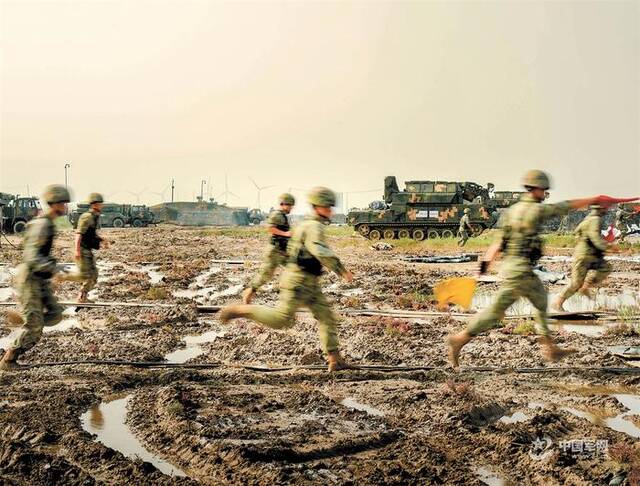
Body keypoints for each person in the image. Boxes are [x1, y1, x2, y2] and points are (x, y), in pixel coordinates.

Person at [447, 170, 603, 367]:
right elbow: (563, 207)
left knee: (538, 301)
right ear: (536, 189)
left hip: (514, 269)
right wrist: (593, 199)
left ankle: (550, 348)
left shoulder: (512, 211)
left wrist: (484, 267)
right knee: (496, 312)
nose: (544, 195)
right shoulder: (535, 210)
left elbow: (498, 243)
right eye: (543, 191)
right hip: (520, 272)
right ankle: (459, 339)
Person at [219, 187, 354, 372]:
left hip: (309, 282)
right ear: (317, 207)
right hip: (299, 282)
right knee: (282, 320)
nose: (331, 211)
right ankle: (240, 310)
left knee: (327, 318)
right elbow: (319, 250)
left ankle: (335, 359)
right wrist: (341, 269)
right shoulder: (313, 227)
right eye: (327, 207)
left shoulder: (306, 225)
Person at [0, 185, 70, 370]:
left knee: (55, 314)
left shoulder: (48, 223)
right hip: (30, 278)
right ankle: (8, 359)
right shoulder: (42, 224)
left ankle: (27, 319)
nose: (66, 206)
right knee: (34, 327)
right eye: (63, 203)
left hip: (39, 277)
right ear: (54, 204)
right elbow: (32, 257)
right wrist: (53, 269)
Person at [553, 205, 612, 310]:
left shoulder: (587, 220)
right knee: (576, 283)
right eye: (605, 208)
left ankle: (584, 287)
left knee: (605, 267)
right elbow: (595, 237)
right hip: (586, 256)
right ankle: (558, 303)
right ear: (600, 208)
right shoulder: (595, 220)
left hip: (587, 255)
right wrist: (608, 246)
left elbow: (577, 231)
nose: (606, 209)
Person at [242, 193, 295, 304]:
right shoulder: (276, 215)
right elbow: (270, 228)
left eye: (292, 205)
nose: (291, 208)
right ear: (283, 204)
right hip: (274, 252)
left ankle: (290, 297)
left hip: (281, 251)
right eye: (289, 205)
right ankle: (248, 294)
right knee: (265, 276)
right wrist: (286, 234)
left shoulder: (283, 216)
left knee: (294, 270)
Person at [73, 193, 109, 303]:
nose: (102, 206)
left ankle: (83, 295)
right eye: (100, 204)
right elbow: (79, 234)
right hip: (83, 250)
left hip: (87, 250)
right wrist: (77, 250)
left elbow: (91, 234)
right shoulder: (87, 217)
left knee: (94, 274)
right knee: (89, 274)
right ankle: (81, 297)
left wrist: (103, 241)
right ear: (94, 205)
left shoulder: (94, 217)